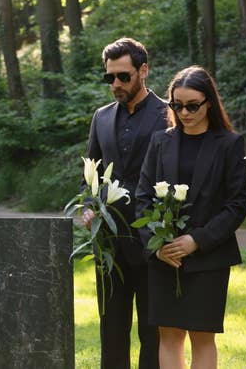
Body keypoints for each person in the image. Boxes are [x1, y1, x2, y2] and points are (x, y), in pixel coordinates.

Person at [135, 65, 246, 369]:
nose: (184, 112)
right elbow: (143, 197)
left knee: (202, 337)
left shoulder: (229, 144)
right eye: (177, 105)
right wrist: (158, 245)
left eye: (192, 105)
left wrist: (196, 240)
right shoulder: (160, 141)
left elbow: (237, 204)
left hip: (209, 257)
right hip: (164, 257)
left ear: (209, 102)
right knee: (168, 336)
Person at [82, 37, 165, 369]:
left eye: (123, 76)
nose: (115, 84)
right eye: (109, 77)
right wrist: (89, 205)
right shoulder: (100, 118)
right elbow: (92, 172)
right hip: (109, 244)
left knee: (153, 332)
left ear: (143, 71)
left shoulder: (169, 113)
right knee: (111, 331)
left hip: (152, 241)